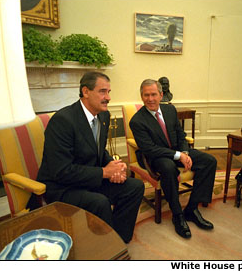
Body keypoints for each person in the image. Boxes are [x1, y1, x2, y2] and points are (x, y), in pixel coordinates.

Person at [36, 72, 144, 243]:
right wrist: (105, 173)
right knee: (99, 202)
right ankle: (105, 247)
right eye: (102, 91)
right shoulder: (63, 121)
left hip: (90, 179)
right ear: (86, 91)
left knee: (135, 186)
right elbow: (61, 171)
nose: (108, 97)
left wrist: (113, 165)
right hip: (63, 187)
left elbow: (98, 151)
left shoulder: (103, 115)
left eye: (109, 92)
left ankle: (117, 241)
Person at [129, 79, 217, 239]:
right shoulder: (137, 121)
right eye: (146, 95)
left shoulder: (170, 110)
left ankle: (192, 209)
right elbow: (150, 149)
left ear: (161, 95)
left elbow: (180, 135)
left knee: (209, 161)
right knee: (168, 167)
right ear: (141, 97)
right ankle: (177, 215)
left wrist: (185, 153)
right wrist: (179, 156)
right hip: (155, 157)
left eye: (154, 94)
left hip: (177, 151)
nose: (150, 99)